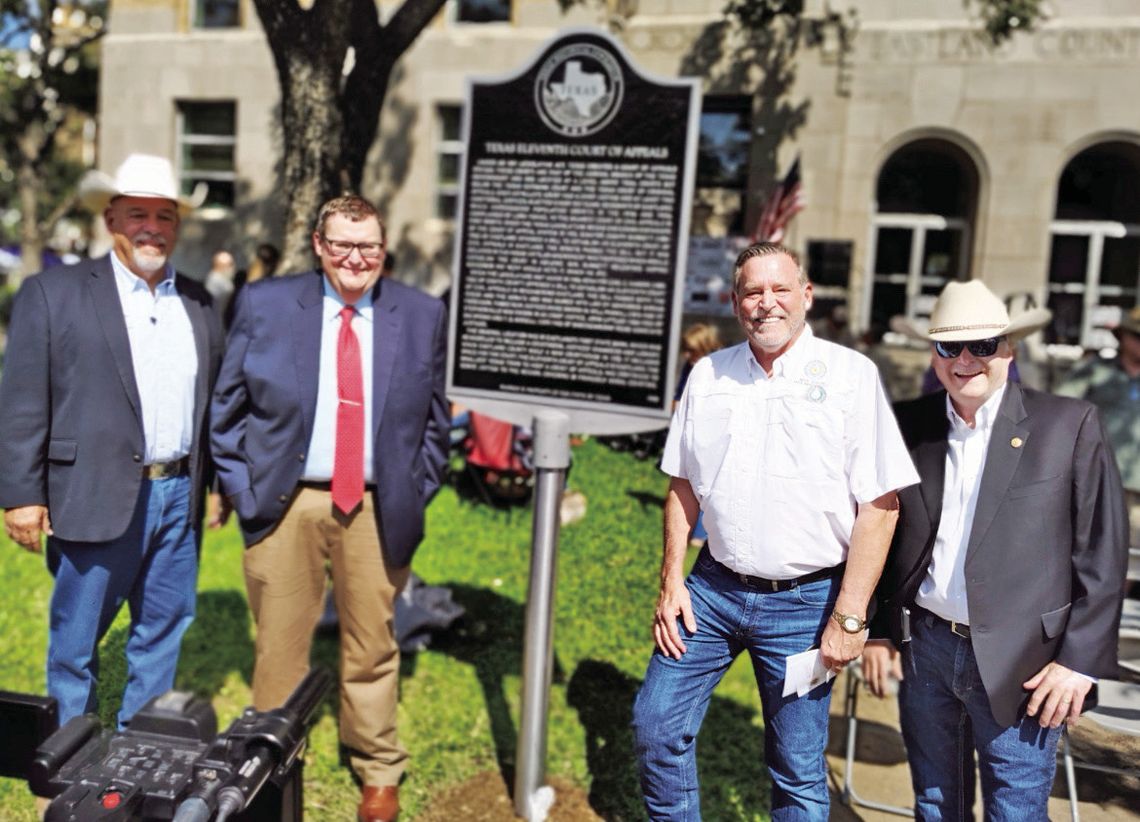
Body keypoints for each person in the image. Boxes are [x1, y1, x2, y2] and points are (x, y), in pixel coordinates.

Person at [632, 242, 919, 820]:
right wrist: (671, 581)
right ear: (737, 304)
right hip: (711, 592)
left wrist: (852, 614)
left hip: (806, 604)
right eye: (752, 292)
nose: (766, 303)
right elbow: (682, 485)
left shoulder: (850, 376)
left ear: (805, 295)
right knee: (655, 726)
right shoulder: (707, 375)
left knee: (796, 770)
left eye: (779, 289)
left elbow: (880, 504)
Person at [210, 194, 448, 822]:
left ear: (384, 247)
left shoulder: (421, 313)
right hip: (285, 503)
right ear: (318, 245)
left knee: (372, 646)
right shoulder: (265, 304)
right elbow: (227, 407)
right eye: (341, 243)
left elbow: (436, 422)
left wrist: (415, 488)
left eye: (367, 244)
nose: (355, 257)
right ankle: (272, 760)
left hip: (375, 507)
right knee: (280, 644)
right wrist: (240, 486)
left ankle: (377, 767)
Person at [862, 280, 1128, 820]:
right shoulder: (906, 424)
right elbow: (882, 529)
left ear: (1009, 349)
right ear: (933, 355)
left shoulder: (1068, 425)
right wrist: (880, 630)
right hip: (927, 648)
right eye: (948, 347)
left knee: (1015, 812)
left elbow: (1102, 555)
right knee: (936, 804)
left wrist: (1077, 663)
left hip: (1024, 662)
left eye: (982, 346)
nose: (965, 360)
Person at [0, 153, 224, 728]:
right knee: (77, 643)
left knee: (163, 630)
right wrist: (21, 493)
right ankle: (67, 760)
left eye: (165, 216)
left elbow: (213, 400)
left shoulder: (200, 301)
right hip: (94, 490)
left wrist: (214, 483)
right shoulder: (54, 292)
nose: (152, 227)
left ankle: (137, 755)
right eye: (138, 214)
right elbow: (23, 401)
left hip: (178, 495)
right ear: (110, 220)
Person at [1056, 305, 1140, 550]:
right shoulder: (1095, 369)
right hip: (1097, 475)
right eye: (1137, 336)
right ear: (1123, 336)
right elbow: (1060, 412)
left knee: (1131, 552)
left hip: (1137, 482)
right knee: (1090, 545)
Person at [204, 249, 236, 323]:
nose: (233, 267)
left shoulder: (223, 279)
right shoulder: (215, 280)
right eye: (230, 264)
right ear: (219, 265)